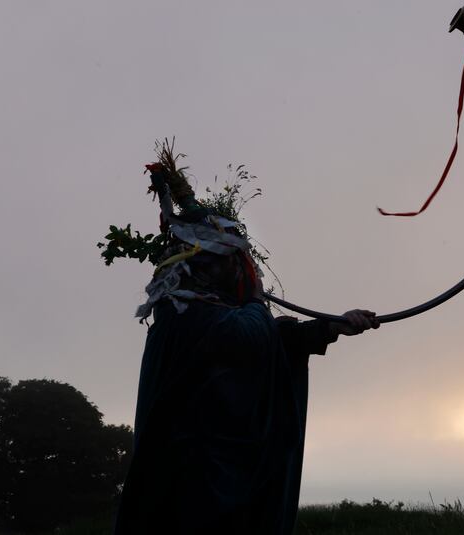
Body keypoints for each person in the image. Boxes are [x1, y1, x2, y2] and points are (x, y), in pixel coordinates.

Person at [114, 166, 379, 534]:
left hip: (223, 481)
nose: (243, 271)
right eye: (235, 262)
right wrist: (255, 300)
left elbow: (272, 339)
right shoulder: (181, 313)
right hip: (192, 483)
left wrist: (331, 327)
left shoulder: (211, 311)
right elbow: (250, 337)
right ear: (205, 263)